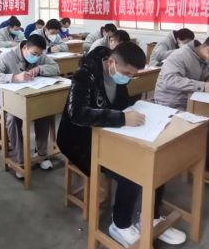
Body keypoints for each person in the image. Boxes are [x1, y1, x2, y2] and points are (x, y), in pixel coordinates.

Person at [58, 42, 186, 247]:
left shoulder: (120, 76)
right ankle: (120, 225)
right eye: (126, 73)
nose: (127, 78)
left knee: (156, 163)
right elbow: (77, 114)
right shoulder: (84, 75)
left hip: (109, 135)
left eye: (132, 75)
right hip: (80, 141)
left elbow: (123, 105)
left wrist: (137, 111)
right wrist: (122, 118)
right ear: (111, 62)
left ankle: (151, 218)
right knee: (130, 173)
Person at [154, 34, 209, 173]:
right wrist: (202, 86)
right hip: (172, 102)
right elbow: (170, 80)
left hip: (195, 99)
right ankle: (199, 164)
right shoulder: (180, 56)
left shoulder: (206, 56)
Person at [0, 35, 60, 178]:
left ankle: (41, 153)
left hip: (30, 95)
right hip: (5, 98)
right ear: (25, 47)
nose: (36, 57)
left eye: (39, 55)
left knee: (44, 113)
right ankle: (20, 159)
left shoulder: (39, 56)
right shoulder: (6, 57)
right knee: (13, 118)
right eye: (34, 54)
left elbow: (56, 68)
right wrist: (13, 77)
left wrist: (39, 68)